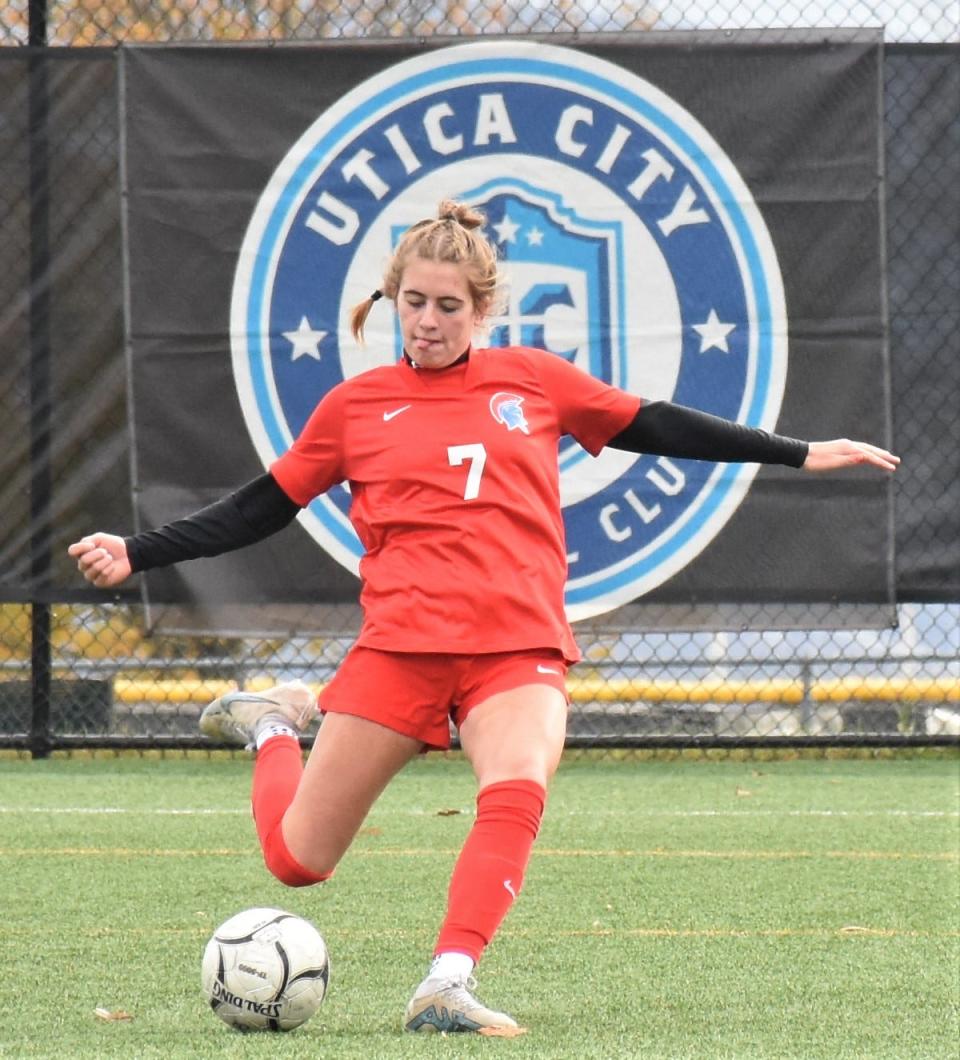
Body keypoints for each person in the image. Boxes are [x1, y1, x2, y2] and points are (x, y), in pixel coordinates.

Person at [68, 198, 899, 1036]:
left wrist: (798, 451)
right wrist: (138, 551)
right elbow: (258, 509)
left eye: (449, 306)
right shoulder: (356, 407)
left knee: (516, 786)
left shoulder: (532, 379)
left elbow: (651, 421)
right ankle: (274, 727)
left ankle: (446, 983)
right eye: (414, 303)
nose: (428, 322)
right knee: (295, 863)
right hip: (401, 648)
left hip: (516, 642)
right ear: (392, 298)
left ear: (484, 310)